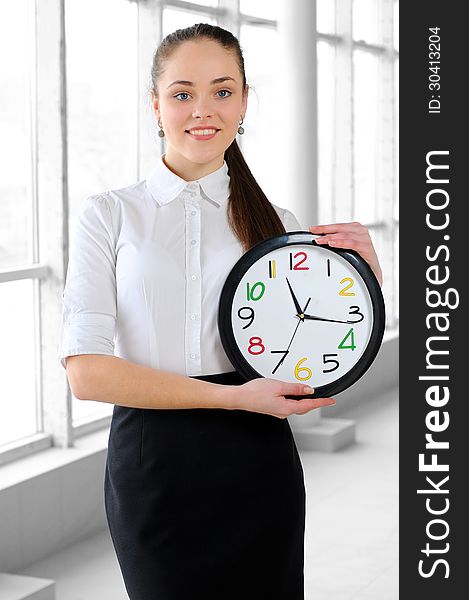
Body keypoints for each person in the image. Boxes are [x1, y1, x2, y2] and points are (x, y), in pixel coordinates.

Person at [59, 23, 382, 600]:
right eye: (183, 93)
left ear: (244, 101)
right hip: (151, 462)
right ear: (155, 105)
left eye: (222, 91)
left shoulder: (279, 224)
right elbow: (86, 375)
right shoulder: (108, 216)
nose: (202, 110)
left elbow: (321, 351)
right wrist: (233, 397)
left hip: (258, 464)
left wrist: (368, 274)